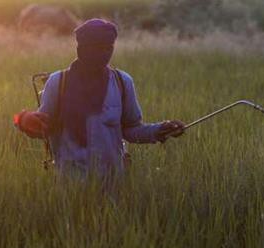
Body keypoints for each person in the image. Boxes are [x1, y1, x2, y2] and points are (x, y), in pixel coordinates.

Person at [16, 18, 185, 179]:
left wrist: (160, 130)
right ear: (81, 48)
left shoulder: (122, 82)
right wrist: (24, 121)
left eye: (108, 47)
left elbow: (131, 130)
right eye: (96, 47)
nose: (104, 53)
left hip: (113, 186)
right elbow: (44, 128)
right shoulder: (58, 83)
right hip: (70, 187)